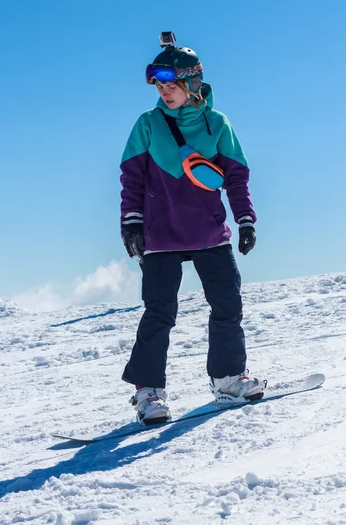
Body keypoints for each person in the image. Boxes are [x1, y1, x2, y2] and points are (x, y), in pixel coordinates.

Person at [120, 32, 265, 425]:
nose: (165, 92)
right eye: (160, 85)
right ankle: (148, 393)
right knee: (159, 312)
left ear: (192, 84)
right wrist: (131, 223)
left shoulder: (217, 124)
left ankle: (229, 380)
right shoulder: (148, 125)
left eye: (173, 85)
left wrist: (245, 219)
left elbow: (237, 177)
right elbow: (131, 179)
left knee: (227, 304)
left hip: (209, 232)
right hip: (161, 235)